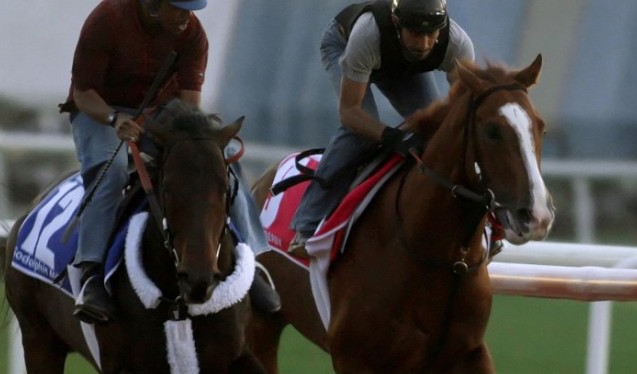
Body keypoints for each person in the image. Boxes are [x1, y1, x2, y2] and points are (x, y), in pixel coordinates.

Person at [59, 0, 281, 325]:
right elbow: (84, 93)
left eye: (191, 9)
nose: (186, 17)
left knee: (219, 162)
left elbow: (190, 107)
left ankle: (256, 260)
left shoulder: (192, 32)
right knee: (113, 171)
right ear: (153, 6)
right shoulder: (106, 19)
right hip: (99, 111)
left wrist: (200, 147)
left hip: (160, 115)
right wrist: (114, 118)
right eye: (179, 8)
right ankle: (91, 276)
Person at [287, 0, 475, 258]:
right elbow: (350, 113)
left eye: (431, 34)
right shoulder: (367, 35)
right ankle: (307, 225)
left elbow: (460, 114)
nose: (423, 44)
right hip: (346, 44)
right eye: (415, 33)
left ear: (442, 28)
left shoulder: (458, 45)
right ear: (397, 23)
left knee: (437, 133)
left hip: (398, 62)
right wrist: (391, 137)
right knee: (360, 133)